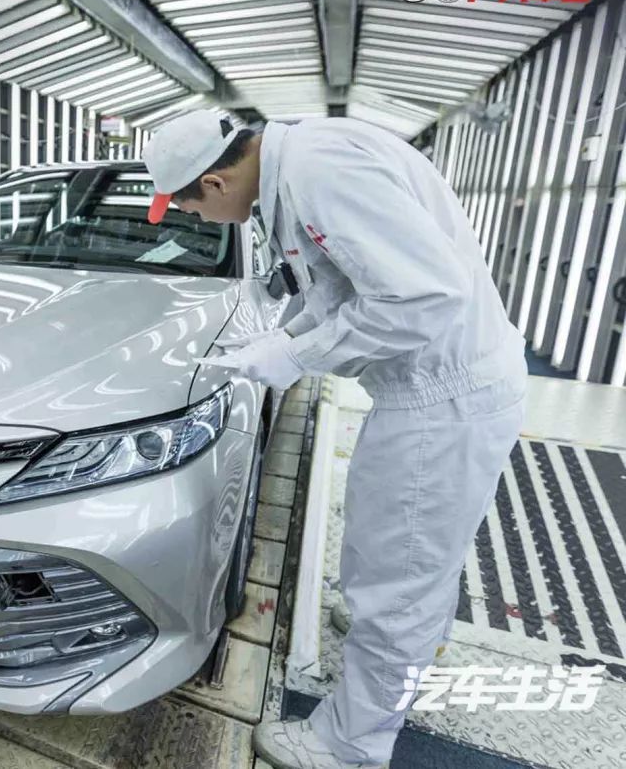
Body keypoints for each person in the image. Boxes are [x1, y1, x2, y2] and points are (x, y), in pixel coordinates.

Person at [143, 110, 527, 769]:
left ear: (214, 182)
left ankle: (350, 744)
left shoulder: (322, 171)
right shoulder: (302, 161)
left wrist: (296, 356)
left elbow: (424, 296)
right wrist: (284, 337)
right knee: (415, 558)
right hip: (444, 388)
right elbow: (347, 284)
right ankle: (416, 644)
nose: (198, 220)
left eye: (190, 208)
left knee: (393, 581)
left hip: (441, 397)